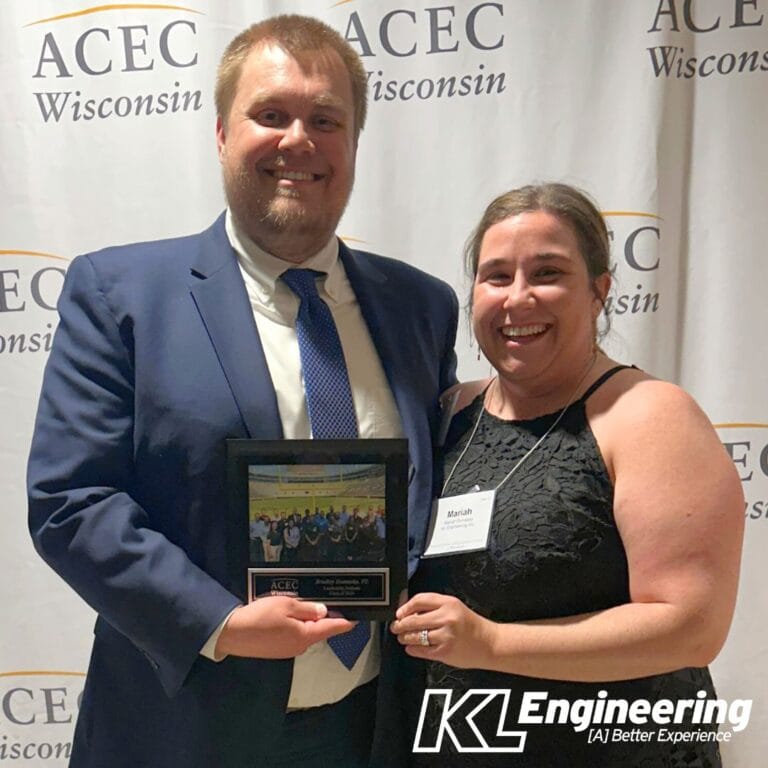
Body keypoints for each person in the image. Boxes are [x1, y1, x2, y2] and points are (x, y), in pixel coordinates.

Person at [26, 14, 458, 768]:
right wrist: (220, 622)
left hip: (376, 725)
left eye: (326, 120)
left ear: (354, 143)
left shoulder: (420, 306)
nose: (300, 140)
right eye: (271, 114)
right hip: (187, 726)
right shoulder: (121, 295)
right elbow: (71, 502)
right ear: (222, 132)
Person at [389, 183, 744, 766]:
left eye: (547, 273)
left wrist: (493, 644)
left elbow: (690, 627)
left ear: (600, 291)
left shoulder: (649, 416)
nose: (517, 299)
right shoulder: (451, 412)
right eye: (496, 276)